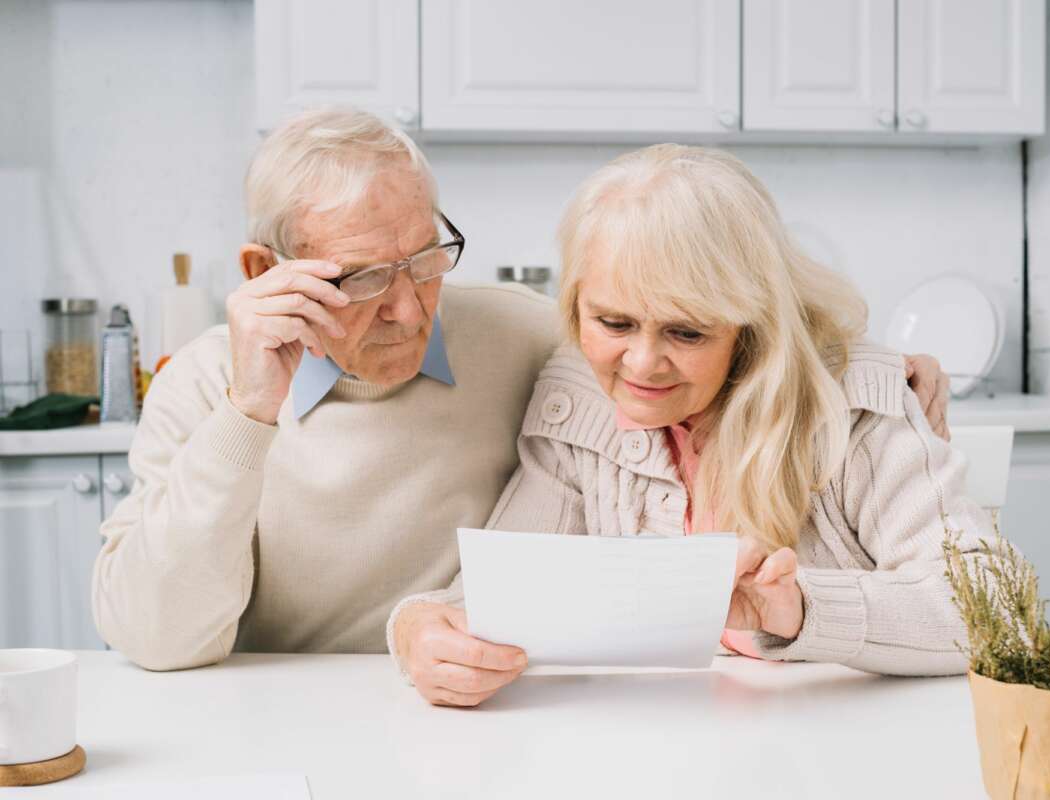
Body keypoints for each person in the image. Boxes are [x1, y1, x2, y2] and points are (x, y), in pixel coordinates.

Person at [93, 108, 950, 672]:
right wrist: (248, 415)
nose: (408, 307)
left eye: (426, 259)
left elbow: (690, 304)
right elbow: (156, 640)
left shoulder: (534, 338)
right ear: (264, 273)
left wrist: (859, 370)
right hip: (285, 723)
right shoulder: (204, 387)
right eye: (359, 279)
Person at [391, 144, 995, 708]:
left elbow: (994, 611)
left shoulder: (856, 406)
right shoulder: (574, 393)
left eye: (687, 332)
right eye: (614, 323)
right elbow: (496, 597)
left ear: (751, 326)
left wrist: (802, 609)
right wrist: (415, 628)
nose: (642, 364)